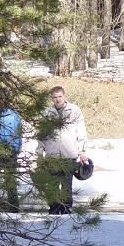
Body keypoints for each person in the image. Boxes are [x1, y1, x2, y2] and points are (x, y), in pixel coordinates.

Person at [36, 86, 88, 214]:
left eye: (59, 96)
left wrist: (82, 152)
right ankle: (54, 209)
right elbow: (41, 134)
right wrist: (39, 153)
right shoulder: (47, 113)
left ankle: (66, 209)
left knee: (66, 185)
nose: (57, 99)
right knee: (52, 185)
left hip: (68, 154)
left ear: (64, 96)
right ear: (51, 98)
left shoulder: (74, 110)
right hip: (52, 155)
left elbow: (81, 132)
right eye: (54, 97)